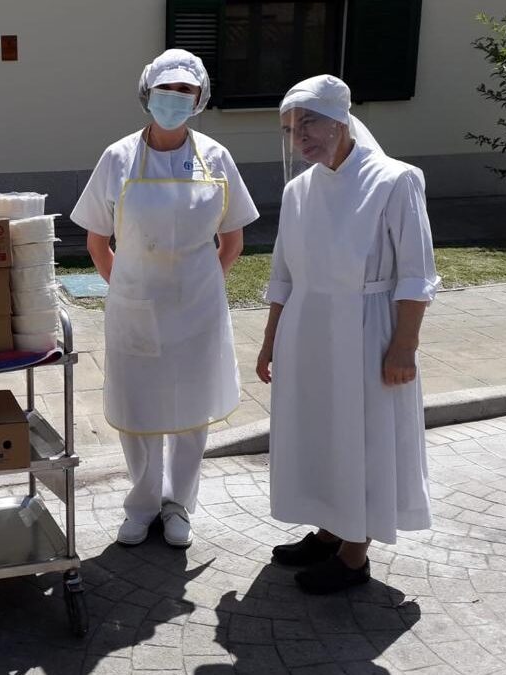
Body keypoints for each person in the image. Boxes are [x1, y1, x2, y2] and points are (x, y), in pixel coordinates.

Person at [256, 75, 440, 594]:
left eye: (309, 121)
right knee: (320, 431)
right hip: (308, 330)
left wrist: (405, 345)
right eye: (290, 128)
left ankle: (355, 554)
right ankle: (330, 528)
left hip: (369, 329)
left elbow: (415, 273)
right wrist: (270, 341)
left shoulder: (395, 180)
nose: (300, 136)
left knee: (362, 434)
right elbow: (283, 276)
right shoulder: (299, 191)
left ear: (341, 118)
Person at [71, 49, 259, 548]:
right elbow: (96, 239)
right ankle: (143, 503)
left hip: (197, 308)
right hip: (136, 303)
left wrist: (202, 286)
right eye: (165, 91)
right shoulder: (117, 158)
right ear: (146, 94)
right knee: (138, 410)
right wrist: (127, 288)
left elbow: (233, 238)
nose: (174, 100)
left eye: (185, 93)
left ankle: (179, 507)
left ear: (200, 100)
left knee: (190, 411)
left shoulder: (216, 158)